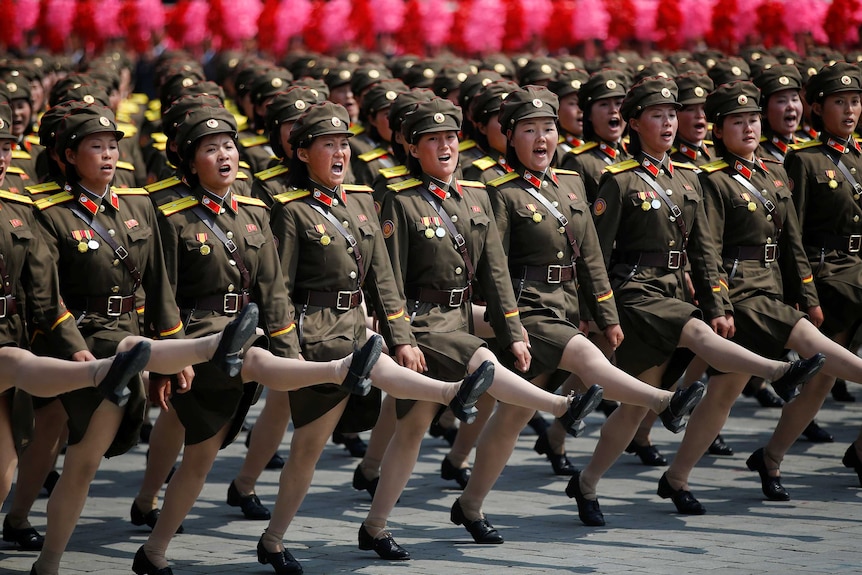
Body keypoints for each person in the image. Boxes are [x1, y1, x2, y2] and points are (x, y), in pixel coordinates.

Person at [570, 77, 825, 527]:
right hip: (635, 293)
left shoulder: (689, 179)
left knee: (635, 409)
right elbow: (595, 256)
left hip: (672, 288)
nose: (668, 123)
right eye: (656, 115)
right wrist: (598, 316)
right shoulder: (620, 181)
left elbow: (704, 251)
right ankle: (778, 371)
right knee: (696, 331)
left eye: (672, 115)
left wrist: (716, 300)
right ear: (634, 123)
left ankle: (587, 482)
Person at [359, 97, 603, 561]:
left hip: (460, 317)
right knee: (479, 363)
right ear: (413, 148)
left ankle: (378, 526)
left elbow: (495, 271)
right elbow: (386, 278)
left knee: (411, 430)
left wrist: (512, 329)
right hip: (420, 324)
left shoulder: (474, 196)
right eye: (433, 139)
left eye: (450, 137)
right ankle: (558, 406)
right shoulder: (400, 199)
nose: (445, 145)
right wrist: (402, 339)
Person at [257, 101, 496, 575]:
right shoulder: (290, 211)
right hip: (316, 336)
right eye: (328, 145)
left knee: (384, 367)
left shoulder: (363, 200)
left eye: (344, 143)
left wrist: (402, 336)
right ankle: (274, 538)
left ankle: (449, 396)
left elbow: (384, 281)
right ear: (303, 154)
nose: (340, 153)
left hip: (357, 331)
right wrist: (288, 353)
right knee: (308, 447)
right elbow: (276, 288)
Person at [457, 85, 706, 532]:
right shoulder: (498, 192)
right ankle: (665, 401)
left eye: (548, 129)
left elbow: (591, 258)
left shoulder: (571, 184)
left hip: (566, 305)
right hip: (525, 310)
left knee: (511, 415)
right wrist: (511, 328)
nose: (541, 139)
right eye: (529, 130)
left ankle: (470, 504)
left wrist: (607, 317)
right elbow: (492, 271)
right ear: (510, 137)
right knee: (580, 355)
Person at [662, 80, 858, 512]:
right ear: (718, 130)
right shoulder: (711, 181)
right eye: (737, 121)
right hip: (739, 293)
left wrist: (807, 295)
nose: (749, 128)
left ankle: (681, 478)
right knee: (810, 346)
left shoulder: (772, 171)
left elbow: (792, 244)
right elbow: (706, 249)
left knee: (723, 394)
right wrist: (716, 305)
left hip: (770, 287)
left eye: (753, 119)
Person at [784, 62, 862, 490]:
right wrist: (804, 290)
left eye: (855, 101)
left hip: (859, 273)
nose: (849, 110)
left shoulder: (861, 153)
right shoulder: (805, 160)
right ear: (817, 108)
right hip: (829, 276)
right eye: (839, 102)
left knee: (827, 376)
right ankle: (774, 454)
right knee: (819, 378)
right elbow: (791, 234)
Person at [560, 69, 631, 202]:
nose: (613, 110)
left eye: (618, 103)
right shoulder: (579, 161)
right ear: (589, 115)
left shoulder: (635, 152)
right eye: (604, 104)